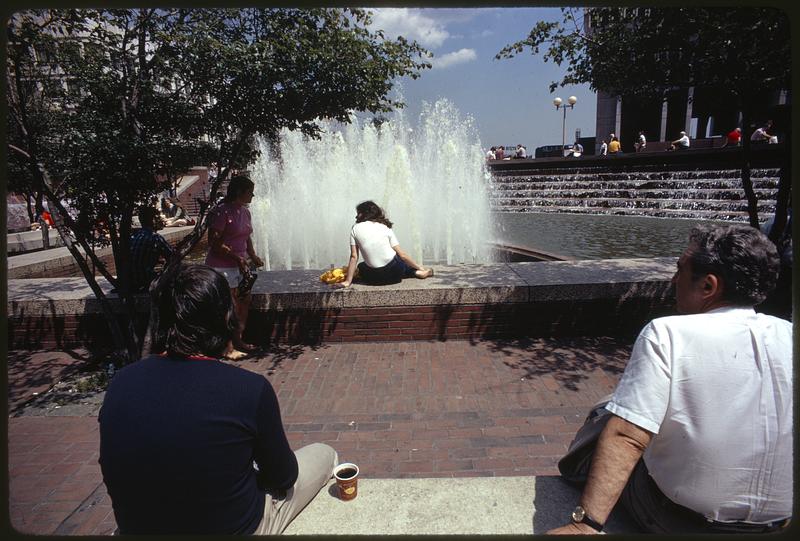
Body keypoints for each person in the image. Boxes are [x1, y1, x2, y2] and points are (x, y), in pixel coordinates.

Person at [551, 224, 792, 535]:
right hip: (778, 523)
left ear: (708, 286)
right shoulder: (788, 333)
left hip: (678, 520)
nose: (673, 279)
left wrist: (585, 524)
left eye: (680, 269)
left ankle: (577, 471)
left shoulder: (666, 334)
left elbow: (628, 436)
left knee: (610, 411)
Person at [99, 264, 337, 535]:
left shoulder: (121, 383)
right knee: (324, 453)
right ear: (226, 317)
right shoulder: (248, 389)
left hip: (139, 529)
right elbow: (283, 477)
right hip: (233, 528)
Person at [205, 175, 265, 359]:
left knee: (244, 301)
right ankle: (227, 347)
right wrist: (236, 258)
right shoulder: (222, 212)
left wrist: (252, 255)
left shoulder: (245, 212)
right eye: (250, 192)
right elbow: (213, 243)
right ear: (240, 191)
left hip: (241, 266)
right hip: (222, 266)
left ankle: (239, 339)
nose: (253, 196)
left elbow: (246, 236)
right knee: (229, 305)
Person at [336, 200, 433, 288]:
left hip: (373, 279)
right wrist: (418, 266)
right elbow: (402, 255)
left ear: (363, 214)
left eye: (358, 213)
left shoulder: (355, 228)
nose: (356, 216)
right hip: (395, 275)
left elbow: (354, 256)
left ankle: (415, 272)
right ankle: (417, 272)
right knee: (399, 261)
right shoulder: (385, 227)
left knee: (361, 266)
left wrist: (348, 281)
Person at [129, 205, 172, 292]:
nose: (162, 221)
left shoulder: (135, 236)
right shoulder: (155, 237)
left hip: (131, 280)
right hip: (145, 281)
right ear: (153, 220)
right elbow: (172, 257)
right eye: (158, 218)